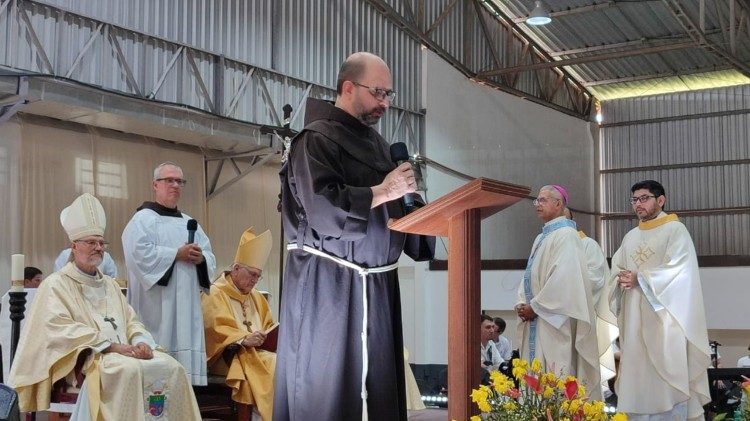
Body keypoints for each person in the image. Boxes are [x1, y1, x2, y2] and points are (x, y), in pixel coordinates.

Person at [275, 51, 435, 421]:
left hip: (377, 288)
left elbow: (396, 209)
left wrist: (416, 208)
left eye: (389, 95)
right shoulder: (315, 140)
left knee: (375, 393)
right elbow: (323, 211)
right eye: (378, 92)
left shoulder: (380, 146)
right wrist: (384, 191)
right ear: (348, 87)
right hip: (329, 289)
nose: (385, 103)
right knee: (328, 394)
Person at [8, 193, 201, 420]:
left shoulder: (109, 284)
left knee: (172, 367)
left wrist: (141, 341)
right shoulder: (56, 284)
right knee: (127, 371)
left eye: (101, 243)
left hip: (125, 354)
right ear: (74, 246)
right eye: (91, 242)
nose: (98, 248)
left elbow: (131, 321)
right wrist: (110, 346)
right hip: (90, 359)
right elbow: (56, 328)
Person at [609, 180, 710, 420]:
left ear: (660, 200)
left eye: (644, 198)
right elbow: (617, 266)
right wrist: (620, 277)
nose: (638, 204)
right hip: (633, 321)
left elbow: (680, 271)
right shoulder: (631, 236)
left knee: (667, 380)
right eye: (634, 200)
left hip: (664, 320)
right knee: (637, 376)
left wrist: (641, 279)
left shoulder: (675, 230)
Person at [122, 162, 216, 385]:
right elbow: (138, 255)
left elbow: (210, 256)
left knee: (182, 380)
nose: (175, 185)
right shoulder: (142, 220)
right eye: (169, 180)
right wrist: (176, 254)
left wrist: (201, 259)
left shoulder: (190, 223)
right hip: (157, 307)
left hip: (186, 307)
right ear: (155, 184)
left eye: (180, 181)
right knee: (155, 377)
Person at [515, 185, 601, 400]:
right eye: (537, 200)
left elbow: (564, 280)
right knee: (535, 383)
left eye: (543, 200)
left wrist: (535, 307)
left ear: (558, 204)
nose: (537, 204)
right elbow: (530, 276)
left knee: (555, 379)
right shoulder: (541, 238)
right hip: (537, 320)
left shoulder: (567, 235)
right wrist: (521, 302)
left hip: (553, 322)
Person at [202, 228, 276, 421]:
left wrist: (267, 335)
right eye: (251, 274)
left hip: (257, 354)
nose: (254, 280)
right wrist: (243, 339)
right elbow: (214, 330)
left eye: (257, 276)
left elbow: (268, 326)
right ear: (235, 269)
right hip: (228, 357)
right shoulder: (215, 292)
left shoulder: (257, 297)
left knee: (284, 363)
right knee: (274, 364)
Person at [564, 208, 618, 394]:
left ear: (572, 221)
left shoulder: (587, 245)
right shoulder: (543, 244)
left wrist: (560, 290)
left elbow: (595, 278)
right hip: (550, 322)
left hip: (579, 320)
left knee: (581, 376)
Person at [1, 267, 42, 382]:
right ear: (27, 282)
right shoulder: (9, 297)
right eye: (37, 280)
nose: (40, 284)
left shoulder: (41, 296)